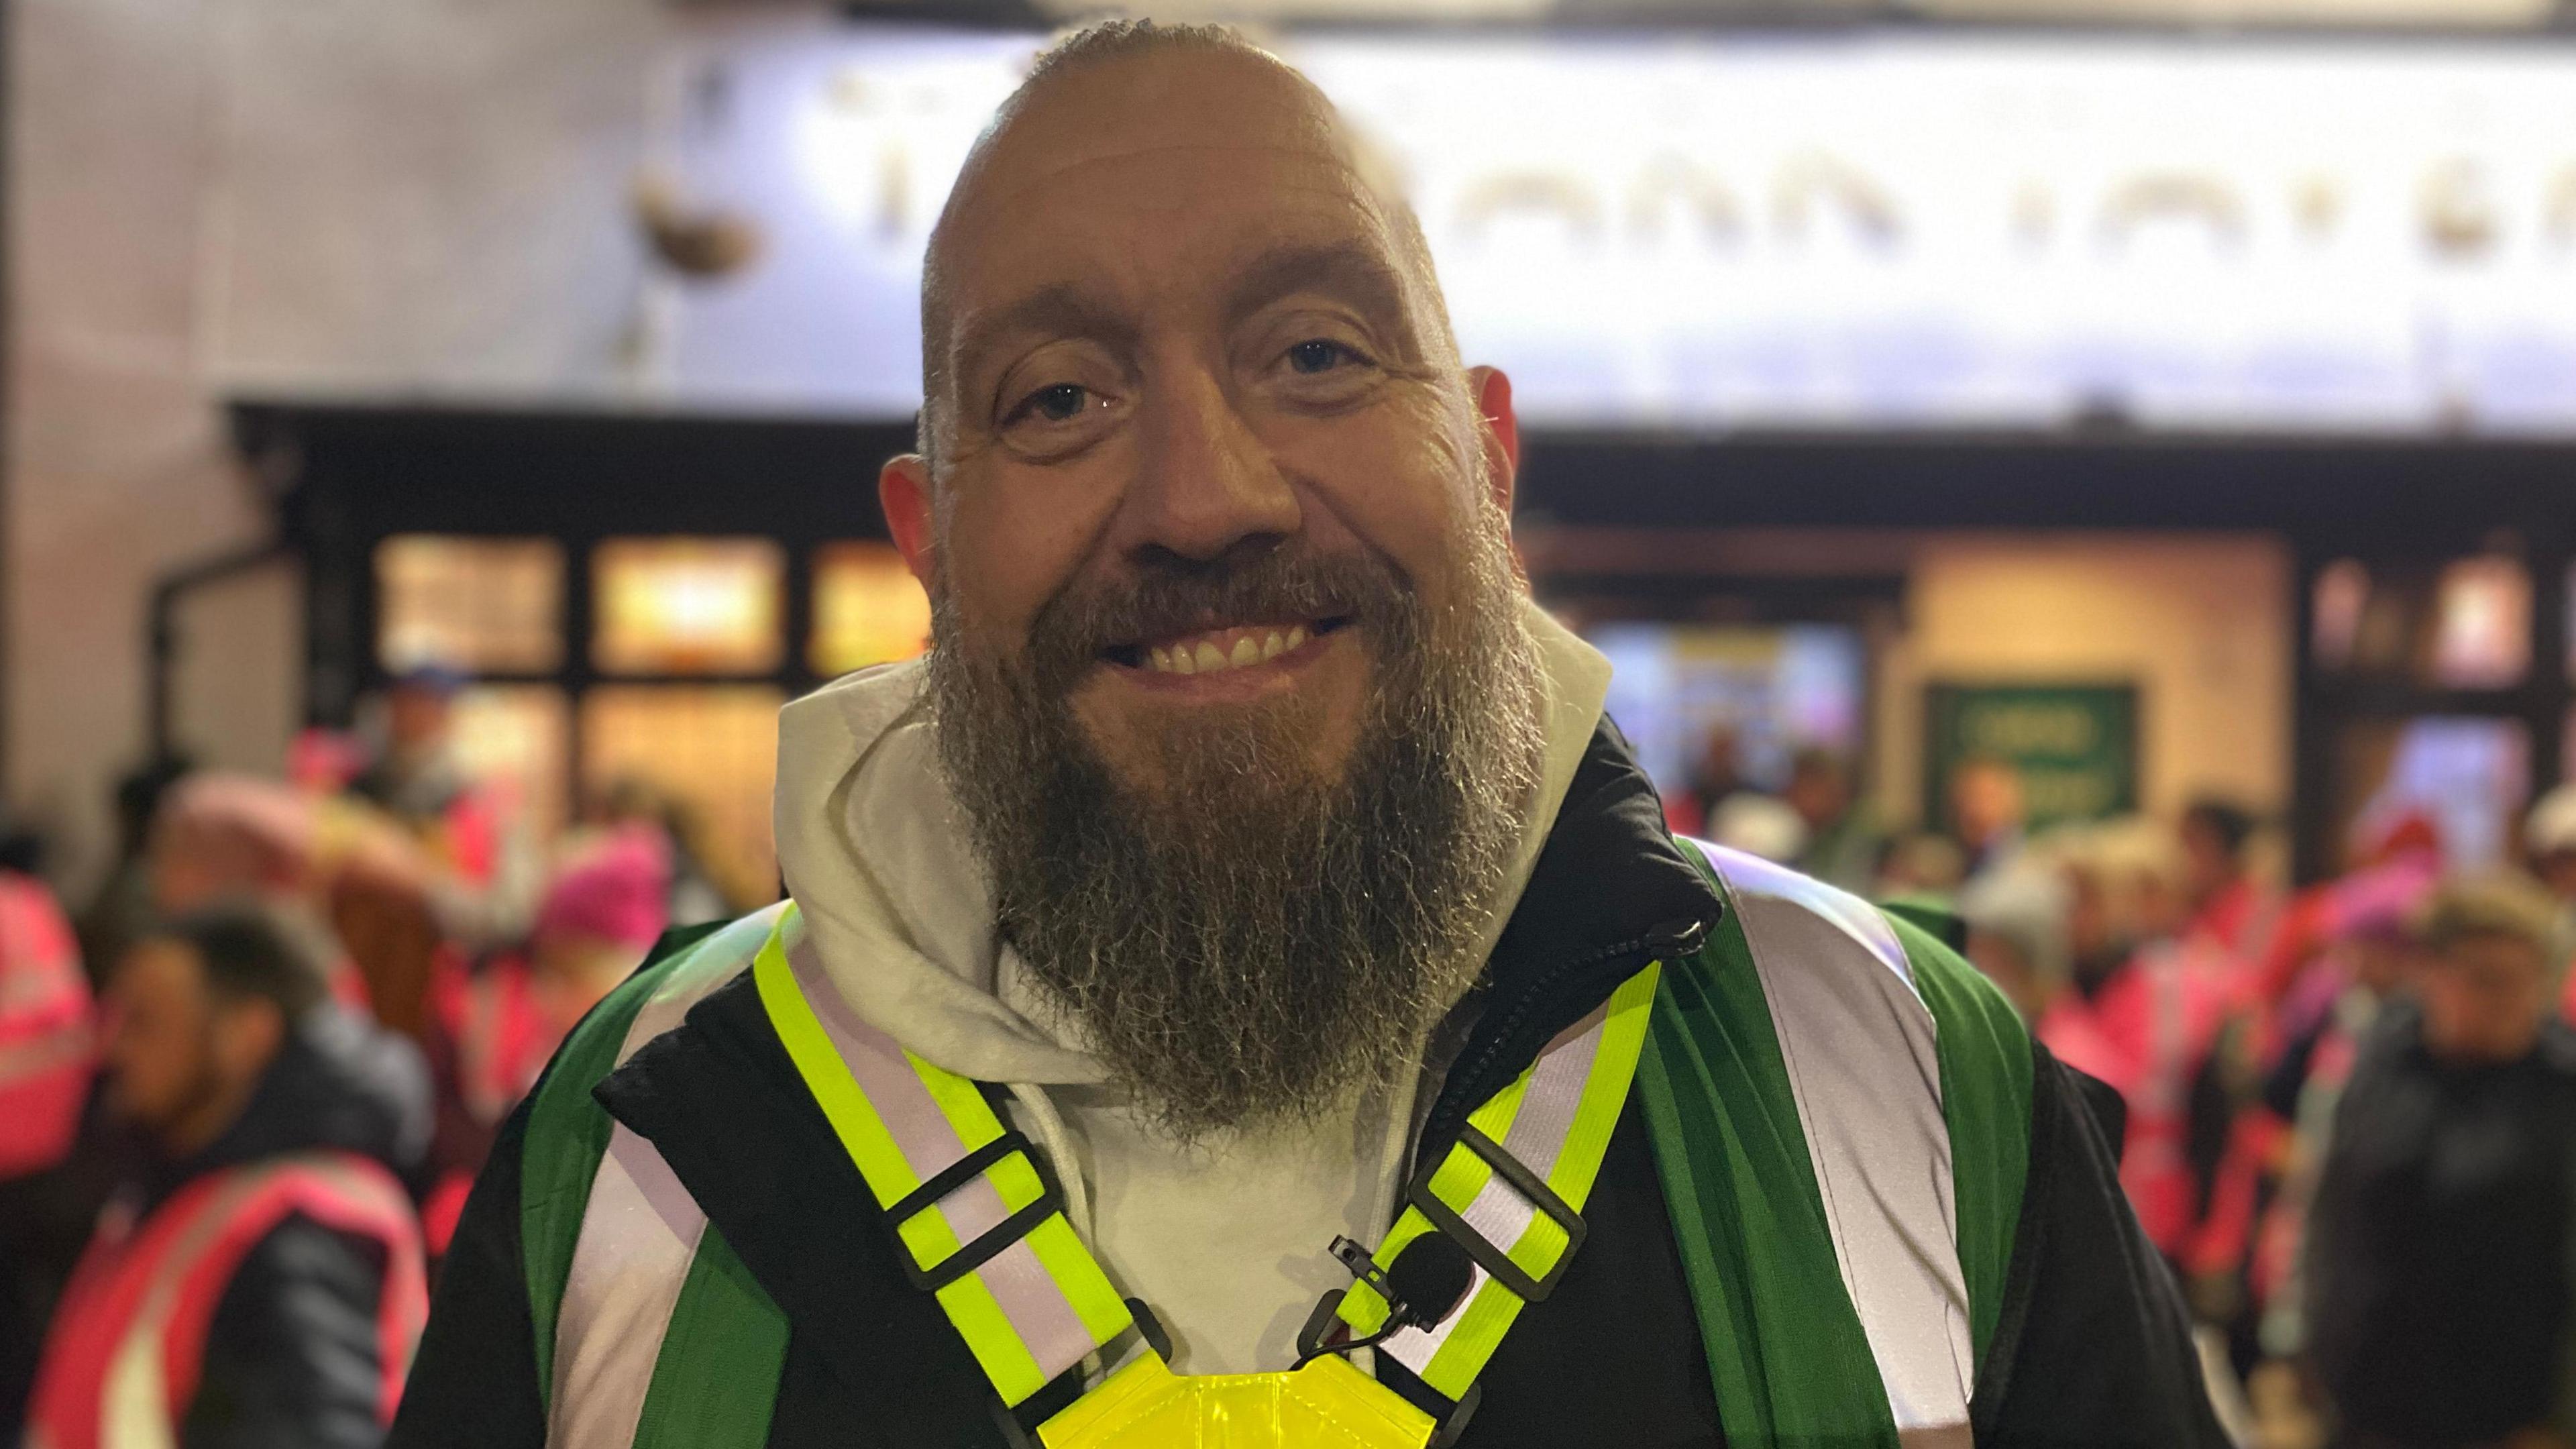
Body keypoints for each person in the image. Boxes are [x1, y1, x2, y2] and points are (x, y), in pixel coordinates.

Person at [393, 23, 2222, 1449]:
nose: (1204, 496)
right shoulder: (640, 1134)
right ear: (927, 544)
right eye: (1056, 398)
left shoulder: (1895, 1071)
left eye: (1320, 354)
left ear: (1489, 461)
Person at [26, 900, 430, 1449]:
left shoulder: (302, 1229)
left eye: (144, 1021)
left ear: (247, 1035)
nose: (112, 1046)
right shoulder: (184, 1191)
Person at [2306, 873, 2576, 1449]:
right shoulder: (2385, 1061)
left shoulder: (2560, 1087)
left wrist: (2559, 1417)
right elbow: (2333, 1211)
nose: (2512, 999)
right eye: (2487, 980)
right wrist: (2315, 1349)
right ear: (2428, 973)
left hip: (2506, 1420)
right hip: (2371, 1405)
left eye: (2530, 981)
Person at [418, 826, 672, 1255]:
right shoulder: (567, 1058)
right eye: (545, 974)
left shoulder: (640, 1075)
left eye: (564, 977)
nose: (543, 997)